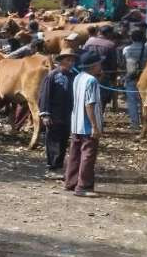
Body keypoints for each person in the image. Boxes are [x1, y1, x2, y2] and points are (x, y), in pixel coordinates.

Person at [65, 52, 104, 197]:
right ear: (94, 66)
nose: (101, 66)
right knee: (88, 155)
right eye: (99, 64)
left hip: (76, 123)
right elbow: (90, 104)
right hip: (87, 125)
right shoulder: (92, 81)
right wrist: (94, 125)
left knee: (75, 153)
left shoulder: (78, 77)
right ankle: (83, 187)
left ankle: (71, 182)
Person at [38, 48, 78, 176]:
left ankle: (59, 165)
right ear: (61, 61)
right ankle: (52, 167)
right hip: (54, 114)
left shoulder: (74, 76)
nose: (71, 62)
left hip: (68, 113)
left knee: (63, 140)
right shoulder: (53, 76)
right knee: (53, 140)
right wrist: (45, 114)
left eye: (72, 60)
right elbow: (45, 95)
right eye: (68, 60)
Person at [123, 25, 147, 131]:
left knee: (132, 101)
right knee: (145, 101)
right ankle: (145, 123)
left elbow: (123, 63)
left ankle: (135, 124)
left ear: (131, 38)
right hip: (145, 78)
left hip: (131, 77)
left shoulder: (126, 49)